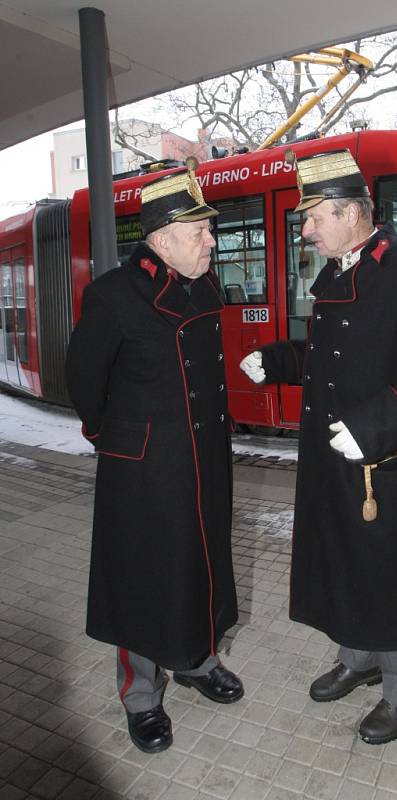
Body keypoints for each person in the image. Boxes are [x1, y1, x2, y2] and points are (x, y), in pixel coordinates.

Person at [240, 149, 397, 745]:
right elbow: (333, 357)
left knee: (394, 578)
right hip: (335, 458)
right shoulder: (341, 270)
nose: (306, 231)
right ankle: (361, 656)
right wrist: (280, 360)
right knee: (347, 562)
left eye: (313, 218)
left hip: (385, 461)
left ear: (348, 212)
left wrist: (382, 420)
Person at [65, 167, 243, 754]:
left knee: (200, 561)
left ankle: (194, 658)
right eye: (201, 232)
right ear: (162, 238)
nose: (211, 242)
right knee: (142, 577)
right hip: (143, 467)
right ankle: (141, 694)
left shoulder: (203, 285)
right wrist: (115, 439)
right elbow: (84, 381)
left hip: (202, 458)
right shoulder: (115, 295)